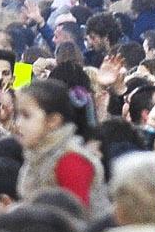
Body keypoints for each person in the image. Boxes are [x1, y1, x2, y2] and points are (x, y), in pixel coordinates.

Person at [11, 78, 104, 215]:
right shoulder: (36, 155)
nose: (18, 124)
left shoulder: (70, 160)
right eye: (17, 115)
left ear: (53, 120)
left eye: (26, 116)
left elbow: (76, 219)